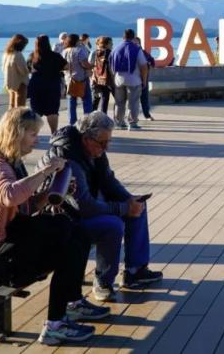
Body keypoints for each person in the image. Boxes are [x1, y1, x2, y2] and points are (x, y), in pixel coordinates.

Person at [0, 108, 110, 345]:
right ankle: (56, 324)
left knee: (76, 232)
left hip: (11, 248)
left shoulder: (13, 163)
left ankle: (72, 304)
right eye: (33, 134)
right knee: (66, 245)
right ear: (17, 133)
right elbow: (11, 196)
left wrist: (52, 193)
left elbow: (26, 207)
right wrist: (47, 170)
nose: (37, 140)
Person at [36, 111, 162, 302]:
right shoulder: (69, 160)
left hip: (82, 208)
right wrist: (124, 208)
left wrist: (130, 200)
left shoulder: (94, 151)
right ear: (86, 139)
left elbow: (109, 180)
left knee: (138, 207)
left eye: (108, 142)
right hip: (63, 219)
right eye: (103, 143)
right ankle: (103, 281)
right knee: (112, 225)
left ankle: (135, 271)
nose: (106, 147)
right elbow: (85, 206)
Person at [28, 35, 68, 134]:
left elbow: (27, 68)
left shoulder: (32, 56)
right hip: (52, 84)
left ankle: (33, 133)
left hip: (36, 85)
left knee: (36, 111)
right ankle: (53, 133)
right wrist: (57, 69)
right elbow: (67, 66)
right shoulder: (55, 55)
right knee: (52, 111)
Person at [110, 29, 148, 130]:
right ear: (133, 37)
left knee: (119, 102)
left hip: (119, 79)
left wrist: (114, 78)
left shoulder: (116, 48)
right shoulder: (136, 49)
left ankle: (119, 122)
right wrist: (144, 80)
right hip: (134, 79)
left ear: (123, 37)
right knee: (133, 102)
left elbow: (111, 65)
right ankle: (132, 123)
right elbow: (144, 66)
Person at [63, 34, 93, 126]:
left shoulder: (65, 51)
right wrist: (92, 66)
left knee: (71, 101)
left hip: (69, 79)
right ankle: (87, 121)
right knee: (87, 100)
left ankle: (72, 122)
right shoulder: (79, 51)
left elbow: (64, 66)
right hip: (81, 78)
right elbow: (84, 64)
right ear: (77, 41)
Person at [3, 34, 30, 110]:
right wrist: (30, 69)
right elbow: (23, 70)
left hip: (10, 82)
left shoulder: (6, 54)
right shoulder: (18, 55)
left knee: (11, 105)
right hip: (20, 83)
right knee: (20, 107)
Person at [90, 36, 113, 115]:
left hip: (95, 78)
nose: (112, 45)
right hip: (106, 79)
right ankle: (103, 116)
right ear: (107, 44)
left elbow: (90, 65)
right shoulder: (109, 53)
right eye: (111, 43)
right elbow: (111, 67)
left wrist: (92, 76)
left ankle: (91, 116)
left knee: (95, 98)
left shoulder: (94, 52)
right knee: (105, 98)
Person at [134, 36, 156, 121]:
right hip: (134, 78)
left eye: (137, 43)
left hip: (144, 77)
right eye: (134, 43)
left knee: (144, 97)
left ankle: (147, 115)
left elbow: (152, 61)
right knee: (133, 99)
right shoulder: (130, 52)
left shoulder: (144, 53)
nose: (136, 44)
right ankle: (133, 116)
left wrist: (149, 63)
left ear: (140, 44)